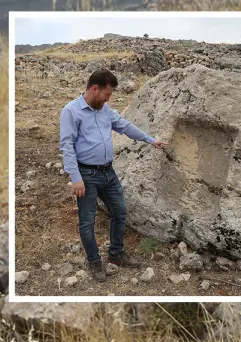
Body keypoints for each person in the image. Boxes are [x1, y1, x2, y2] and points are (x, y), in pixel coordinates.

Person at [59, 69, 167, 282]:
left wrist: (150, 140)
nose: (109, 98)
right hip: (86, 175)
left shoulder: (105, 109)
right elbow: (67, 146)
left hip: (108, 172)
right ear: (94, 88)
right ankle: (94, 261)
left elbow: (125, 127)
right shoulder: (71, 111)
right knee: (87, 222)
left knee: (120, 213)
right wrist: (75, 177)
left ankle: (116, 256)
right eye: (107, 94)